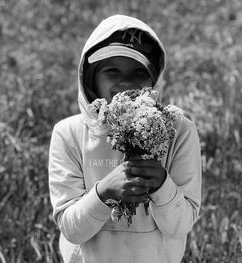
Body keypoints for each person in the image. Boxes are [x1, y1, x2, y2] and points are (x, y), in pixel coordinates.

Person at [48, 14, 202, 263]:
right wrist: (104, 192)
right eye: (112, 70)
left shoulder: (179, 131)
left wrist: (161, 184)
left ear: (155, 79)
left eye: (139, 71)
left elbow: (180, 225)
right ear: (91, 78)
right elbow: (72, 230)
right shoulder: (69, 134)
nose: (125, 82)